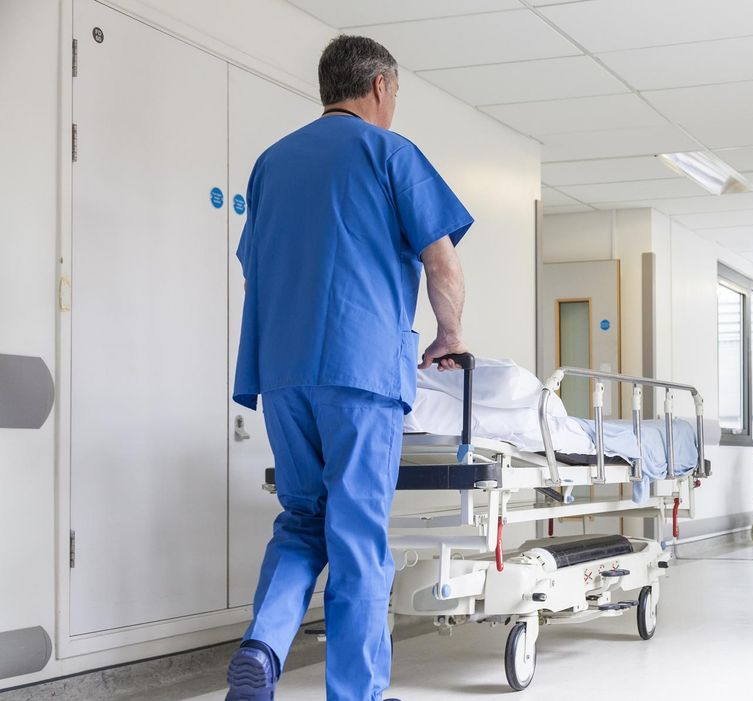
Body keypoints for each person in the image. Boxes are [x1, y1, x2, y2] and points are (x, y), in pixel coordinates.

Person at [226, 35, 474, 701]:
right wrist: (448, 334)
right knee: (358, 530)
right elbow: (441, 261)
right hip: (360, 374)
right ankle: (356, 691)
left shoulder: (270, 163)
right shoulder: (391, 152)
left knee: (303, 518)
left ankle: (263, 646)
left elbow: (255, 276)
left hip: (282, 372)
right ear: (382, 87)